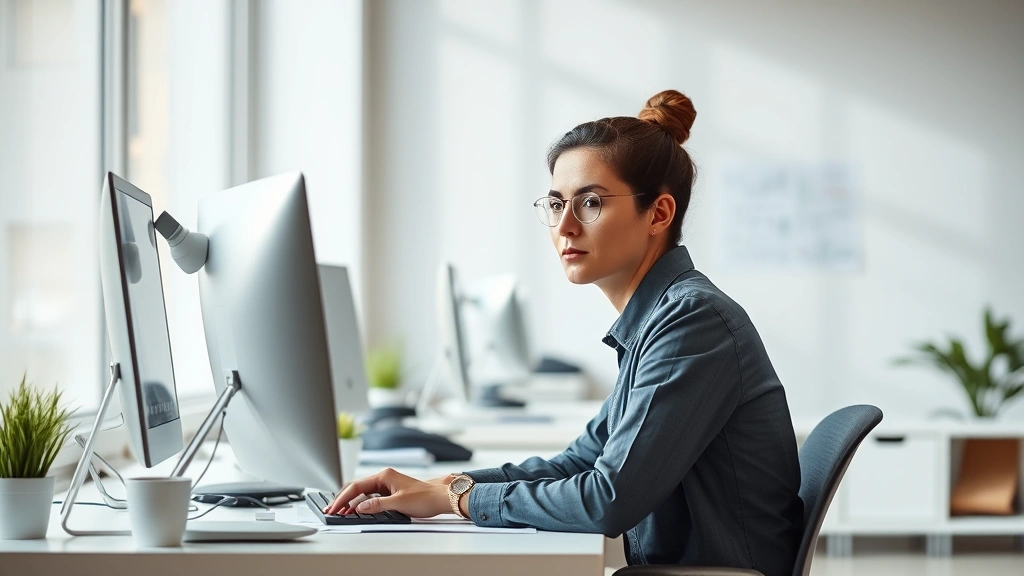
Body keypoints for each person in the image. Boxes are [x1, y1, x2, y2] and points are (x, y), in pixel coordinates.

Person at [326, 90, 803, 576]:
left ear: (658, 214)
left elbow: (606, 500)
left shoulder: (691, 322)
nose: (565, 226)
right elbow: (581, 462)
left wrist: (457, 498)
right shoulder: (659, 320)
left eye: (590, 202)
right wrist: (445, 484)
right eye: (556, 204)